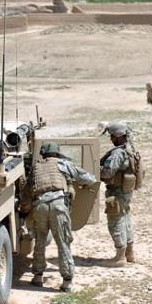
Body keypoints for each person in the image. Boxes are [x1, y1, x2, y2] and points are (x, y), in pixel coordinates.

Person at [27, 142, 96, 293]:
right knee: (63, 242)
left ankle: (38, 276)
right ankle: (67, 281)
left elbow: (28, 189)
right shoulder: (63, 164)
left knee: (40, 241)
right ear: (57, 153)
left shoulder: (36, 167)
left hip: (40, 206)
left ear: (43, 153)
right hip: (58, 206)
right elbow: (89, 178)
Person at [100, 122, 142, 267]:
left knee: (115, 221)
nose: (111, 139)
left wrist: (95, 170)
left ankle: (119, 257)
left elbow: (107, 172)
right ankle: (129, 253)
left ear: (118, 136)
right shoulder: (130, 149)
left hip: (116, 191)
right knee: (125, 219)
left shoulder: (118, 153)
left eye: (112, 136)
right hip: (126, 191)